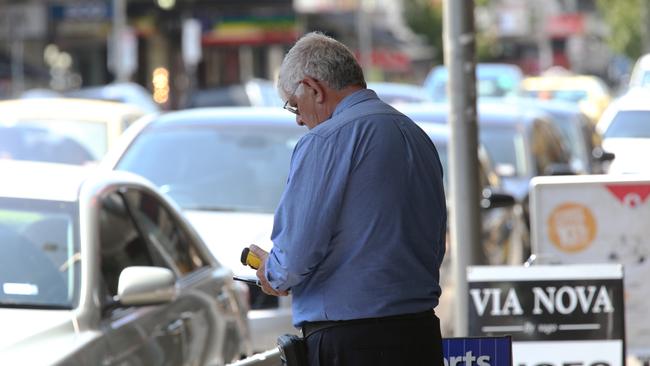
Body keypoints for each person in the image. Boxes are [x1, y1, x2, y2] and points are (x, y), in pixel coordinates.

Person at [248, 31, 447, 366]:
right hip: (420, 333)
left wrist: (272, 269)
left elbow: (293, 260)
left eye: (295, 105)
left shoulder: (325, 140)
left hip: (351, 341)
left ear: (313, 88)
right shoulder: (415, 135)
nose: (298, 119)